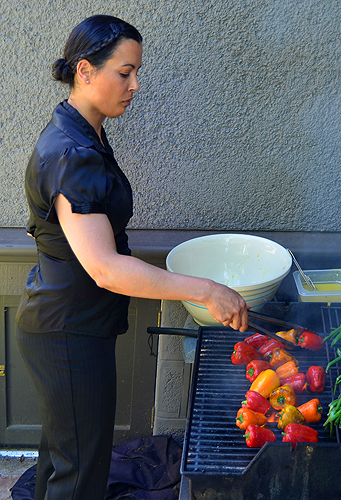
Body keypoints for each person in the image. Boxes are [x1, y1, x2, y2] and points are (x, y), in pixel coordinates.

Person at [15, 15, 248, 500]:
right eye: (125, 73)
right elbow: (105, 268)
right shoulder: (72, 154)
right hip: (68, 333)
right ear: (85, 70)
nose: (135, 85)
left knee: (64, 459)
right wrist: (205, 290)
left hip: (70, 324)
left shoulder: (83, 133)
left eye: (136, 72)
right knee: (79, 473)